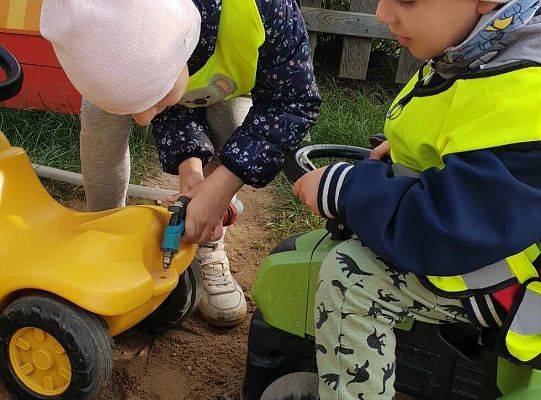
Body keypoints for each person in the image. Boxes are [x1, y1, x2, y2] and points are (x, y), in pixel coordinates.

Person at [293, 0, 541, 398]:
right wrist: (403, 150)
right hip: (500, 233)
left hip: (519, 277)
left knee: (350, 277)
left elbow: (449, 228)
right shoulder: (490, 46)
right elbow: (470, 128)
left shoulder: (528, 88)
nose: (382, 13)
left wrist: (345, 189)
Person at [40, 0, 320, 327]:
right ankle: (105, 233)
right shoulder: (148, 30)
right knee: (106, 117)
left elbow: (291, 102)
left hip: (230, 63)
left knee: (231, 121)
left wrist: (219, 189)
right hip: (168, 56)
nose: (144, 121)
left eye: (151, 101)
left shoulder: (267, 8)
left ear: (182, 41)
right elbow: (172, 97)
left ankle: (209, 241)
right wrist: (192, 171)